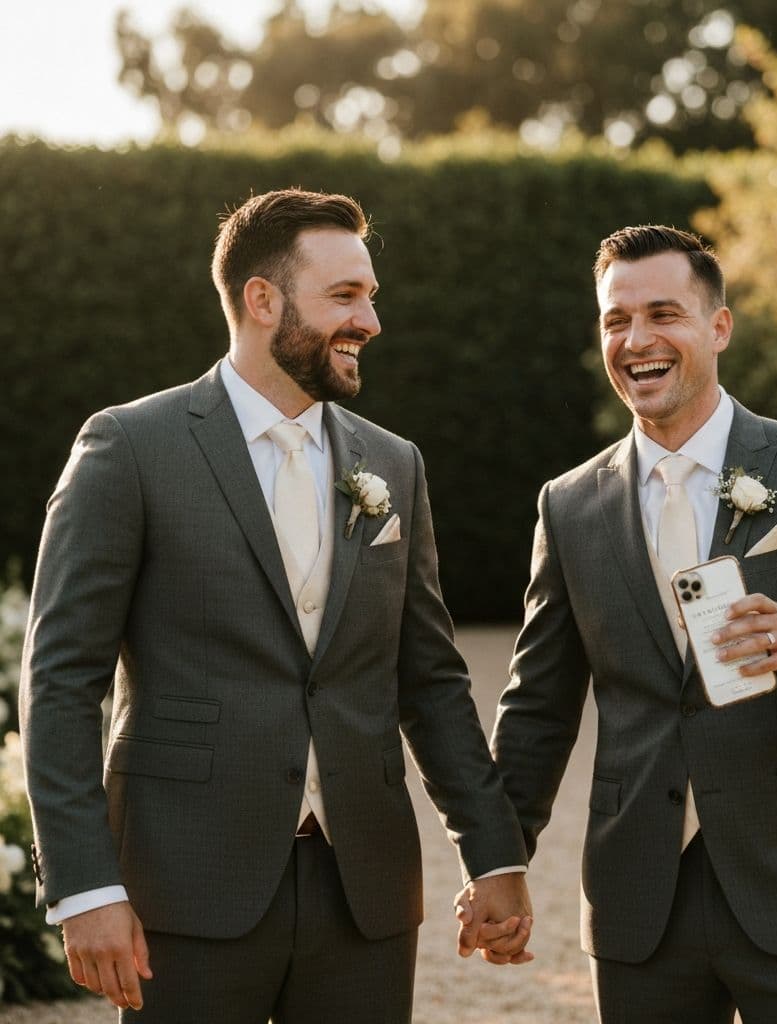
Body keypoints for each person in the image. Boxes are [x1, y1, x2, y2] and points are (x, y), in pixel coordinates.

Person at [19, 187, 532, 1023]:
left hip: (363, 890)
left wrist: (495, 852)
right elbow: (60, 680)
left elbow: (430, 680)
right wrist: (83, 886)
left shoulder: (394, 465)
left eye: (371, 295)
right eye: (345, 296)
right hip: (183, 886)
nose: (370, 320)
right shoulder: (130, 448)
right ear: (262, 301)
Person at [478, 225, 777, 1022]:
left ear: (719, 327)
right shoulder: (570, 505)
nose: (637, 340)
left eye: (664, 313)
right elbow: (538, 708)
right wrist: (495, 859)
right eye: (615, 320)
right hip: (639, 900)